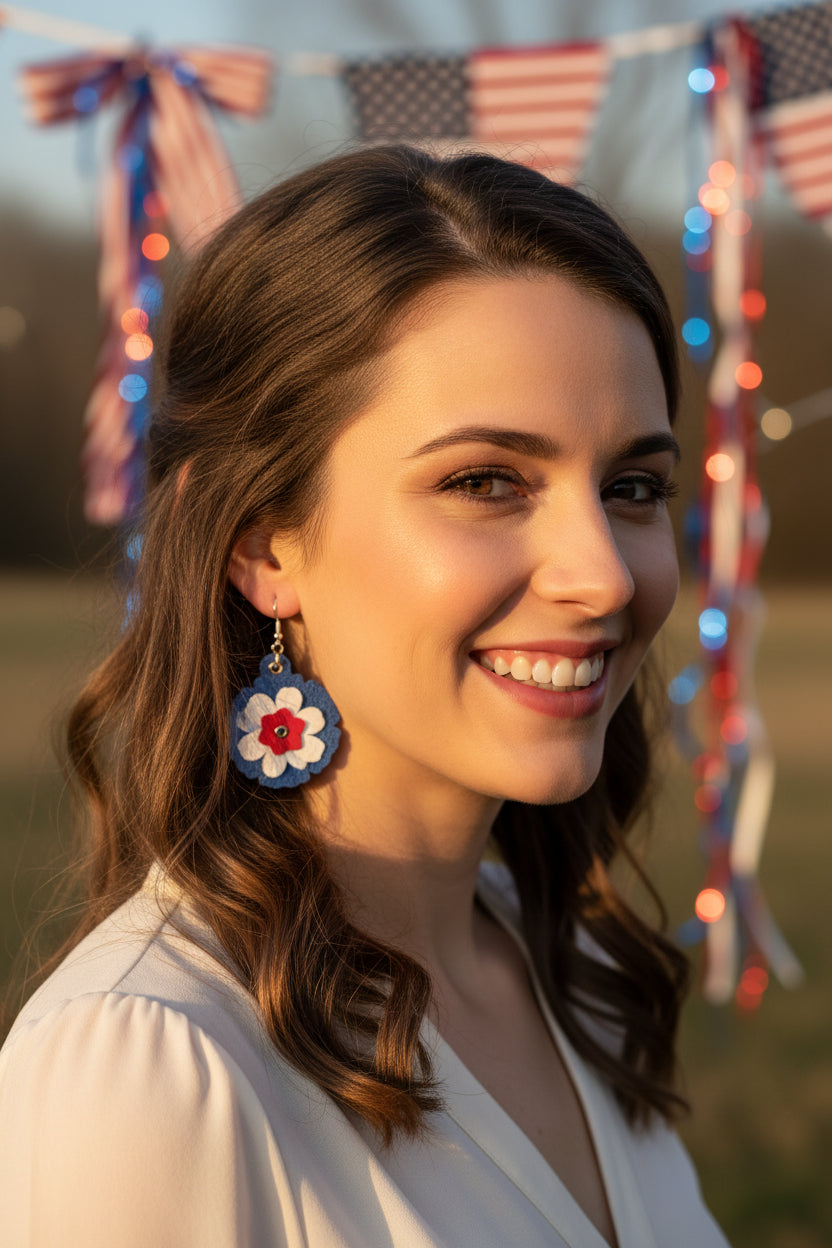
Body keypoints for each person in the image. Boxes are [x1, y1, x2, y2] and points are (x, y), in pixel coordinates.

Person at [0, 144, 730, 1247]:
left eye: (632, 486)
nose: (606, 577)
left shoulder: (575, 974)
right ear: (262, 544)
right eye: (485, 481)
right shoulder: (154, 1066)